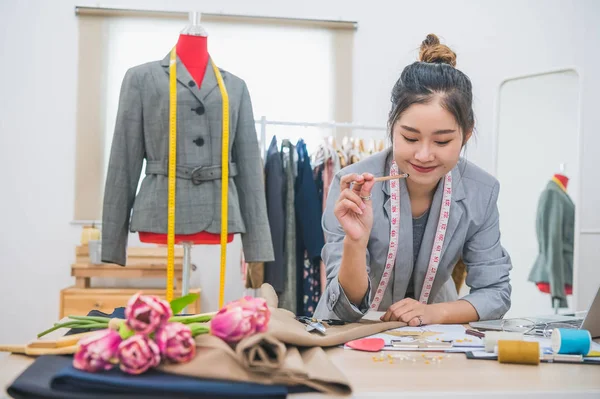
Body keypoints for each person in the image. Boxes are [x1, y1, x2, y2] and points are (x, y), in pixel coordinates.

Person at [313, 34, 512, 326]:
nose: (423, 154)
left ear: (466, 135)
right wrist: (355, 243)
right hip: (351, 334)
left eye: (442, 141)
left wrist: (436, 312)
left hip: (432, 333)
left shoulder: (480, 191)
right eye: (410, 137)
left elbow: (496, 292)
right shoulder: (351, 184)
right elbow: (344, 306)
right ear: (392, 127)